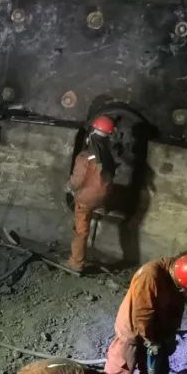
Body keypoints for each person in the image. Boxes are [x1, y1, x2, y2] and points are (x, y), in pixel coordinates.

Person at [103, 253, 187, 374]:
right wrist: (151, 341)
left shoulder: (179, 275)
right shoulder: (149, 276)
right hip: (133, 333)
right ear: (177, 275)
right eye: (184, 288)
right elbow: (142, 315)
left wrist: (170, 335)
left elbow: (177, 307)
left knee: (159, 371)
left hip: (156, 332)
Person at [66, 115, 116, 273]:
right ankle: (86, 254)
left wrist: (69, 186)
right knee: (86, 225)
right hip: (102, 198)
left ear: (93, 132)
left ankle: (76, 263)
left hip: (86, 199)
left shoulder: (85, 156)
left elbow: (77, 181)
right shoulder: (108, 155)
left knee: (81, 231)